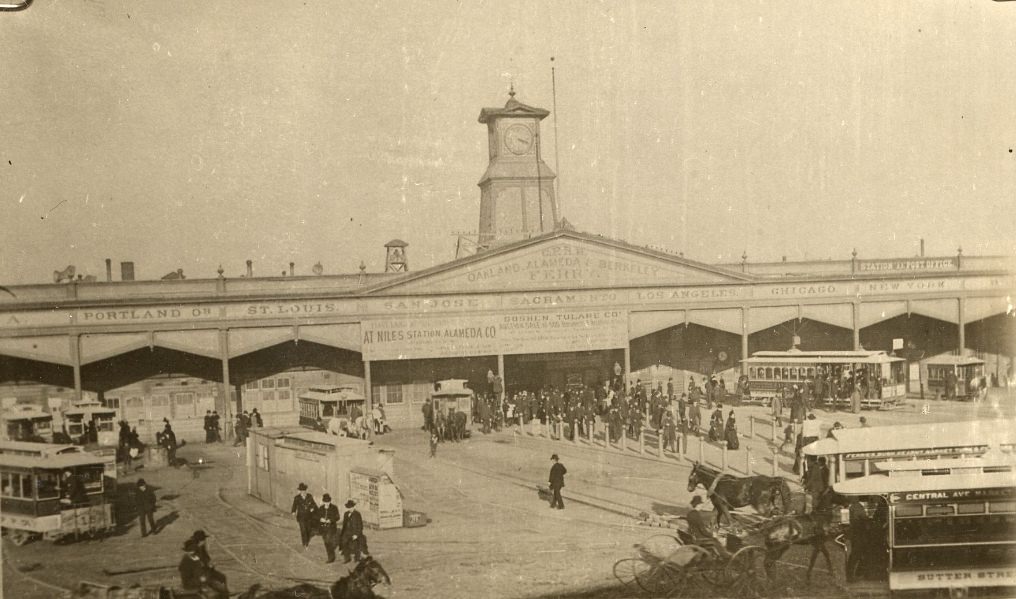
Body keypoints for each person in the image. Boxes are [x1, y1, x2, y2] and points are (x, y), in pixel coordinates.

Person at [190, 530, 230, 596]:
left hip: (208, 571)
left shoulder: (202, 548)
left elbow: (206, 559)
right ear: (199, 540)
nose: (205, 541)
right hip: (201, 573)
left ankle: (225, 594)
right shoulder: (195, 549)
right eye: (203, 539)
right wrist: (206, 565)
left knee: (222, 577)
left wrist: (210, 565)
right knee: (215, 584)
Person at [846, 497, 869, 582]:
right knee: (856, 554)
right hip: (859, 534)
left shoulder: (854, 506)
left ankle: (855, 574)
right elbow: (862, 518)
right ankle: (852, 575)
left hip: (856, 534)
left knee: (856, 555)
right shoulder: (857, 506)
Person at [291, 482, 317, 549]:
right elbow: (294, 506)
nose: (303, 492)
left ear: (306, 490)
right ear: (300, 491)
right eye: (301, 491)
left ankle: (307, 539)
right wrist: (293, 512)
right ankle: (305, 543)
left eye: (304, 490)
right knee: (303, 530)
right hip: (301, 517)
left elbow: (314, 504)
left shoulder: (309, 496)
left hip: (309, 516)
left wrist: (312, 508)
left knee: (308, 529)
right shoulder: (297, 498)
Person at [316, 494, 340, 563]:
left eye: (328, 502)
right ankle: (330, 555)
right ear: (323, 502)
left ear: (330, 501)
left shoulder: (334, 508)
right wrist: (320, 519)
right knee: (326, 542)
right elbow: (317, 516)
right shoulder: (321, 508)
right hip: (323, 528)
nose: (327, 503)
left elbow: (337, 517)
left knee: (328, 541)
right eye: (325, 502)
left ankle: (331, 557)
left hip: (331, 528)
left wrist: (331, 520)